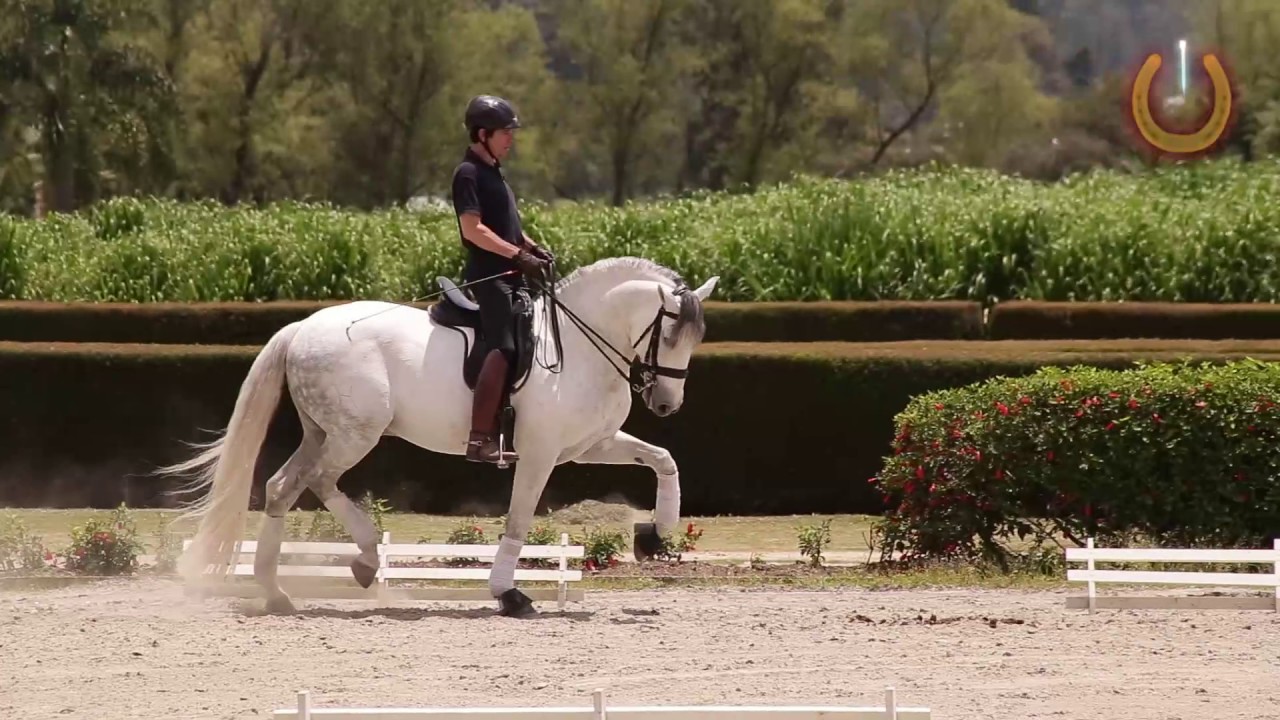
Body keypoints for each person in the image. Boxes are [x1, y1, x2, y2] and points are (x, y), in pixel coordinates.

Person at [450, 94, 553, 464]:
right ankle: (479, 439)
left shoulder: (494, 173)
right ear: (482, 134)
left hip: (511, 273)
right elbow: (473, 229)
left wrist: (534, 248)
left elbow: (510, 229)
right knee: (505, 345)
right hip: (488, 277)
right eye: (504, 133)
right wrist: (516, 256)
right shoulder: (468, 174)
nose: (511, 139)